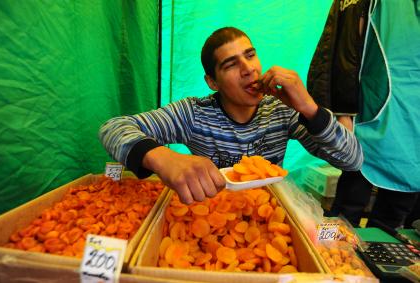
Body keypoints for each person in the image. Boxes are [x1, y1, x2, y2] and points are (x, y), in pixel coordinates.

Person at [99, 27, 363, 205]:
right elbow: (112, 128)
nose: (248, 69)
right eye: (231, 64)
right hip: (214, 217)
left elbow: (353, 161)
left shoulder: (281, 110)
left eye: (250, 55)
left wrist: (310, 109)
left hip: (269, 214)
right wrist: (164, 158)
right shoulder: (193, 113)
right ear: (212, 82)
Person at [308, 0, 420, 229]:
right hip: (369, 116)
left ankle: (376, 259)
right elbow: (341, 52)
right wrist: (342, 112)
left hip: (413, 123)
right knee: (345, 211)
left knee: (392, 216)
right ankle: (330, 259)